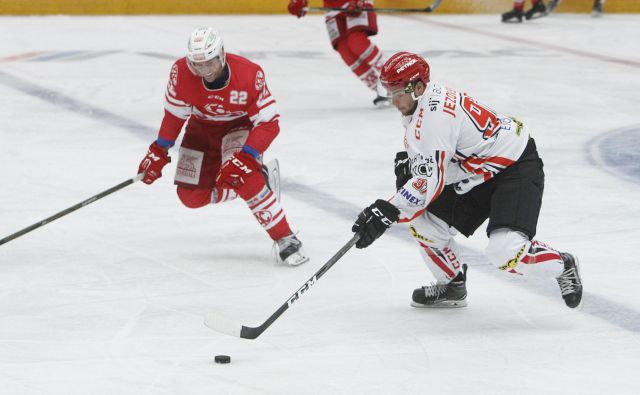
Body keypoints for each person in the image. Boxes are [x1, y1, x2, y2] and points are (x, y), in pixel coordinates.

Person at [350, 51, 583, 308]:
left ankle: (563, 265)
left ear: (418, 86)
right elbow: (433, 168)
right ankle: (452, 284)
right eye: (389, 92)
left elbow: (430, 183)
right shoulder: (424, 102)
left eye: (397, 92)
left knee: (505, 251)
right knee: (424, 223)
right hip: (475, 172)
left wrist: (387, 211)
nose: (393, 101)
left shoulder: (433, 120)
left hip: (513, 166)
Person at [137, 27, 309, 266]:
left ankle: (285, 238)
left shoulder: (249, 75)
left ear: (222, 55)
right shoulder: (180, 73)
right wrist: (158, 150)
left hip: (238, 128)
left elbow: (269, 123)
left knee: (244, 178)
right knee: (190, 197)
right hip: (200, 131)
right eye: (198, 65)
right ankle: (262, 180)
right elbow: (175, 116)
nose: (205, 71)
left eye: (210, 63)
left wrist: (247, 157)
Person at [287, 0, 390, 107]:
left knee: (357, 42)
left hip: (355, 2)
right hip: (332, 8)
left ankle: (396, 76)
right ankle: (382, 90)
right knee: (345, 51)